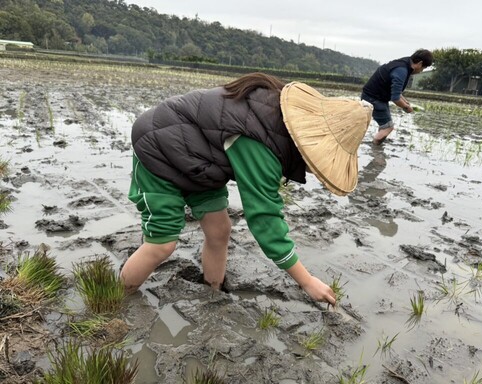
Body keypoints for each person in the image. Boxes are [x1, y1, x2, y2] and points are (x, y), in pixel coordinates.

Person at [120, 72, 373, 306]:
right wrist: (306, 281)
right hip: (159, 148)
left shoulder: (276, 121)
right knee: (162, 243)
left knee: (220, 231)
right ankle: (117, 297)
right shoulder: (261, 140)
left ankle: (212, 293)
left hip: (201, 162)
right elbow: (264, 218)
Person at [361, 49, 433, 145]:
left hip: (377, 96)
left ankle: (377, 145)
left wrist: (406, 102)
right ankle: (376, 149)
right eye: (423, 68)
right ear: (419, 63)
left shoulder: (404, 63)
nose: (421, 71)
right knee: (388, 127)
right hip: (373, 98)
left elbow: (396, 92)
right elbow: (395, 98)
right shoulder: (401, 71)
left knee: (385, 125)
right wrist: (406, 107)